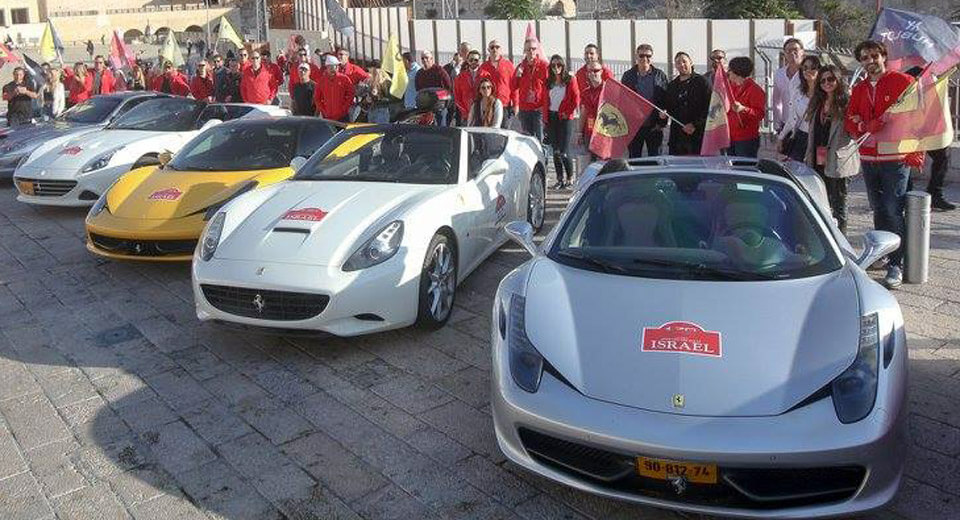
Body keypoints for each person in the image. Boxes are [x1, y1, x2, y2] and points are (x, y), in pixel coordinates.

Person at [845, 39, 921, 289]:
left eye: (874, 56)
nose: (870, 61)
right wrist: (864, 125)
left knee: (891, 209)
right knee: (878, 208)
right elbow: (850, 120)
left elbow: (917, 117)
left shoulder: (903, 82)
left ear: (883, 56)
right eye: (865, 58)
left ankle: (896, 264)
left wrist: (916, 149)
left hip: (895, 158)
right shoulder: (859, 88)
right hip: (868, 157)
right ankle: (885, 252)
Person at [804, 64, 857, 233]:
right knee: (821, 201)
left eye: (831, 79)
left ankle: (841, 240)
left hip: (838, 158)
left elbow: (853, 132)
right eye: (823, 81)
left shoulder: (846, 103)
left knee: (839, 204)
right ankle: (826, 236)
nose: (827, 83)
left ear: (838, 80)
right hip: (817, 158)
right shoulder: (818, 103)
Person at [621, 43, 668, 157]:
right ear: (636, 57)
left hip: (654, 126)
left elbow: (666, 99)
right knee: (634, 159)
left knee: (655, 159)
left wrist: (662, 120)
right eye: (641, 56)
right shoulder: (628, 76)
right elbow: (622, 100)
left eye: (648, 56)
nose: (645, 59)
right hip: (634, 127)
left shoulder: (660, 75)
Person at [662, 52, 710, 155]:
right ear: (675, 66)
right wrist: (664, 114)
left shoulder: (702, 82)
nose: (682, 65)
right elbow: (669, 107)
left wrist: (695, 125)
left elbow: (710, 108)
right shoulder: (672, 86)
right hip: (677, 136)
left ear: (691, 62)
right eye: (678, 62)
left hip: (698, 136)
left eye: (684, 61)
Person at [545, 55, 580, 189]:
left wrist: (568, 112)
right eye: (553, 66)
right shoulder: (548, 82)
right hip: (552, 117)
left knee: (564, 151)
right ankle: (559, 179)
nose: (556, 68)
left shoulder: (570, 80)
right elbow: (545, 101)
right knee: (555, 151)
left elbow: (576, 99)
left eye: (558, 65)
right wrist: (545, 120)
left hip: (565, 118)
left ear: (563, 66)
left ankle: (570, 177)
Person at [777, 55, 820, 161]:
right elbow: (792, 118)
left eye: (813, 67)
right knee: (797, 171)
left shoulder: (824, 93)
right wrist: (781, 137)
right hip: (801, 137)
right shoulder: (799, 92)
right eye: (805, 68)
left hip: (819, 140)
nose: (808, 71)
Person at [724, 57, 766, 158]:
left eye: (730, 70)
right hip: (729, 136)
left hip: (746, 139)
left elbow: (760, 114)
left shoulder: (755, 90)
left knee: (744, 168)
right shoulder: (730, 87)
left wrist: (743, 109)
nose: (728, 72)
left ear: (737, 72)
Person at [513, 38, 549, 142]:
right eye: (528, 49)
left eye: (533, 49)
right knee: (527, 140)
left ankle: (541, 158)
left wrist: (545, 107)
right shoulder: (521, 66)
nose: (531, 52)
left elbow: (548, 88)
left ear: (537, 50)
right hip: (524, 109)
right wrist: (517, 76)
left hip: (538, 109)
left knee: (539, 140)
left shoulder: (544, 66)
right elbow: (513, 87)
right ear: (525, 51)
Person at [479, 39, 516, 128]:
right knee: (490, 132)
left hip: (505, 105)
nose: (494, 49)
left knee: (505, 132)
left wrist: (516, 103)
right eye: (492, 47)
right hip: (489, 105)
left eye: (497, 47)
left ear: (500, 49)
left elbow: (514, 85)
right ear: (488, 50)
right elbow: (480, 86)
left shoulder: (508, 65)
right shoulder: (484, 66)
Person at [772, 38, 804, 134]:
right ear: (784, 53)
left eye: (795, 50)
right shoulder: (779, 74)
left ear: (802, 52)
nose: (792, 53)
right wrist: (777, 125)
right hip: (786, 125)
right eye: (788, 51)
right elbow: (776, 101)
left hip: (804, 126)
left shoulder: (808, 74)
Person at [415, 50, 453, 125]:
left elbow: (448, 87)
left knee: (441, 128)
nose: (424, 60)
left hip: (439, 106)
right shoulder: (419, 73)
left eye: (427, 58)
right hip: (425, 108)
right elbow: (418, 89)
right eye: (422, 58)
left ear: (432, 59)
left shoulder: (440, 71)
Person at [314, 55, 354, 122]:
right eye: (331, 67)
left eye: (335, 66)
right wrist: (324, 110)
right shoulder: (322, 81)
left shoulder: (344, 79)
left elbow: (351, 94)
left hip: (342, 116)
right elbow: (317, 98)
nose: (333, 69)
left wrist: (344, 108)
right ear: (327, 67)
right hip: (328, 117)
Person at [454, 50, 489, 126]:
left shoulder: (486, 75)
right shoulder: (460, 77)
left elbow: (490, 94)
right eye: (471, 60)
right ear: (467, 61)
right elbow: (457, 97)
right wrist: (465, 112)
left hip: (482, 114)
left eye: (476, 60)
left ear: (479, 61)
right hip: (466, 115)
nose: (473, 62)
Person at [579, 63, 607, 152]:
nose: (593, 73)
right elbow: (583, 113)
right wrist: (579, 132)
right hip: (590, 132)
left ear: (601, 72)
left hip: (605, 132)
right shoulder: (585, 92)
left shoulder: (608, 89)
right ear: (587, 74)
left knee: (604, 162)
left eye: (596, 71)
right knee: (591, 163)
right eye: (590, 71)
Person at [443, 52, 464, 125]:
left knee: (459, 113)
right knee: (450, 112)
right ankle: (448, 127)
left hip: (461, 94)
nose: (457, 61)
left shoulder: (464, 67)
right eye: (456, 59)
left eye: (459, 59)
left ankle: (459, 126)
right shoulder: (448, 67)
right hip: (451, 94)